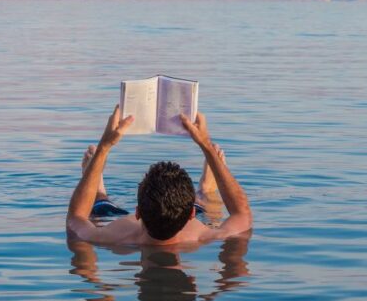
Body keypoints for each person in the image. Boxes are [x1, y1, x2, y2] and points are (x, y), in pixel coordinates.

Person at [67, 105, 252, 245]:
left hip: (126, 232)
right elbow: (241, 212)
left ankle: (97, 189)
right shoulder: (204, 237)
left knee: (99, 206)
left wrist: (104, 148)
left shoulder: (112, 239)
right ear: (191, 215)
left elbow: (76, 217)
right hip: (189, 226)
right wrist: (206, 145)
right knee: (208, 207)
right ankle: (205, 189)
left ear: (137, 212)